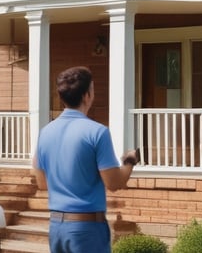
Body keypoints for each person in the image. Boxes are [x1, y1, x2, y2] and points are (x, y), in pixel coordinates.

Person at [33, 66, 140, 253]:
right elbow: (114, 183)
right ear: (86, 96)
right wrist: (130, 161)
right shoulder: (97, 132)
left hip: (57, 227)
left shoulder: (45, 132)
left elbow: (42, 183)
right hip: (87, 229)